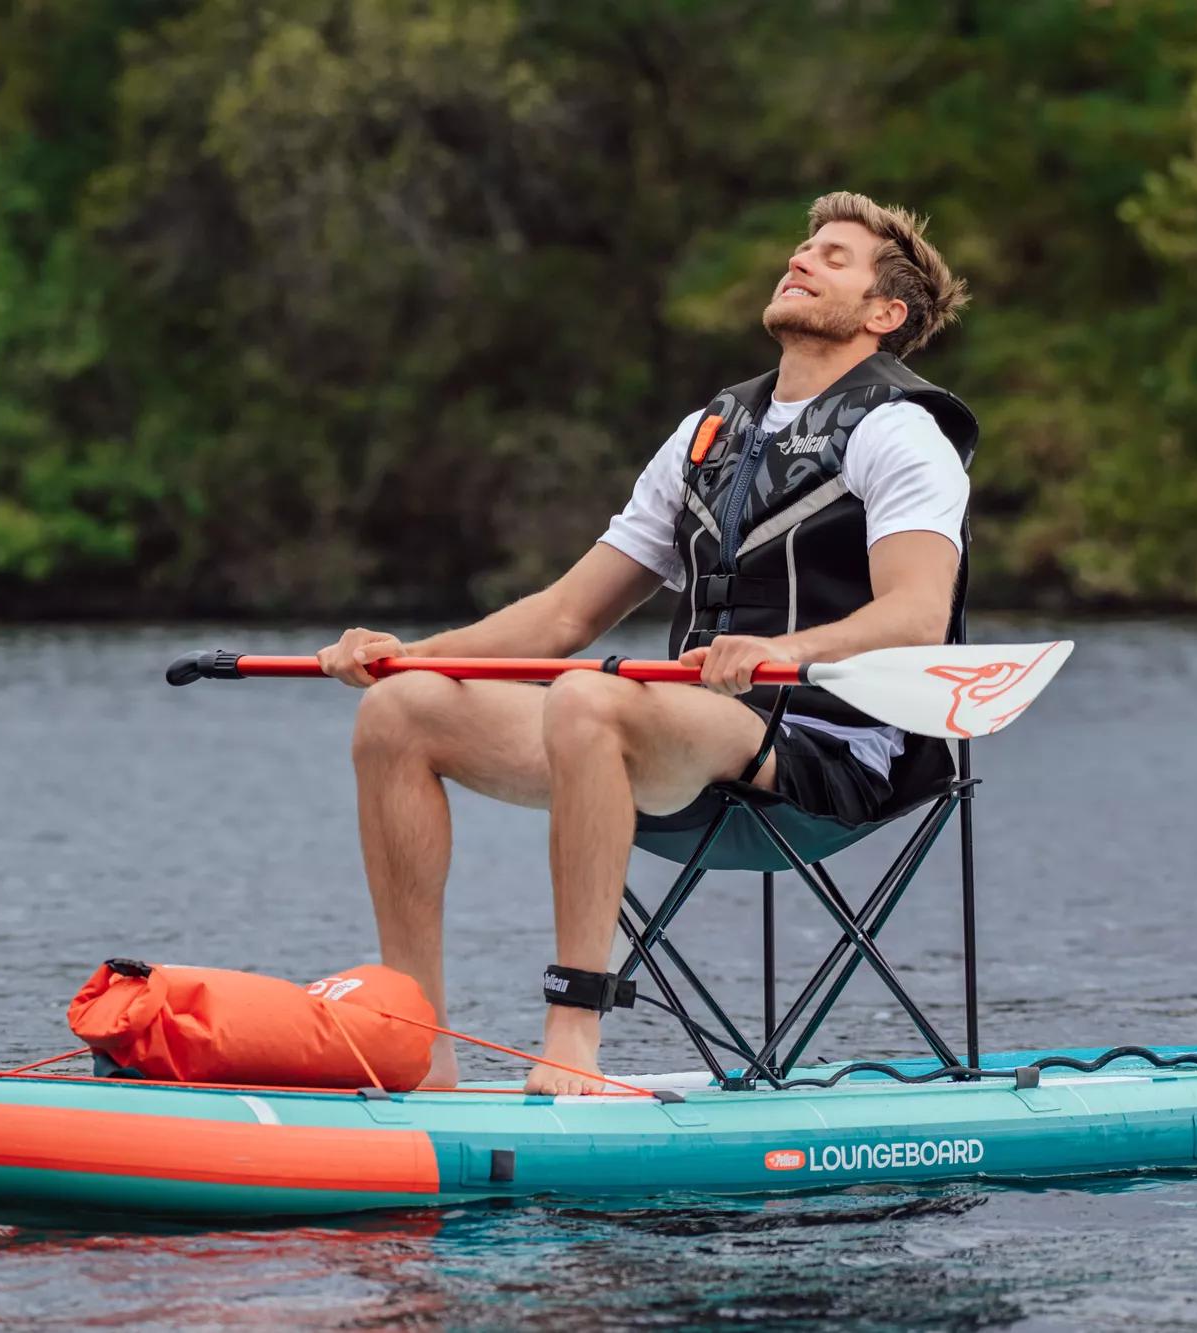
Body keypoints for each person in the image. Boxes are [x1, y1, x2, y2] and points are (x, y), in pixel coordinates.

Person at [319, 191, 976, 1094]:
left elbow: (917, 616)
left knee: (591, 696)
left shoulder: (902, 430)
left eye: (832, 256)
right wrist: (408, 651)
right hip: (678, 744)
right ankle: (418, 1054)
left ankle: (572, 1044)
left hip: (835, 754)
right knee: (401, 710)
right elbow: (561, 619)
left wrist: (782, 650)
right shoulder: (709, 433)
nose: (799, 259)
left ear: (883, 313)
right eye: (801, 246)